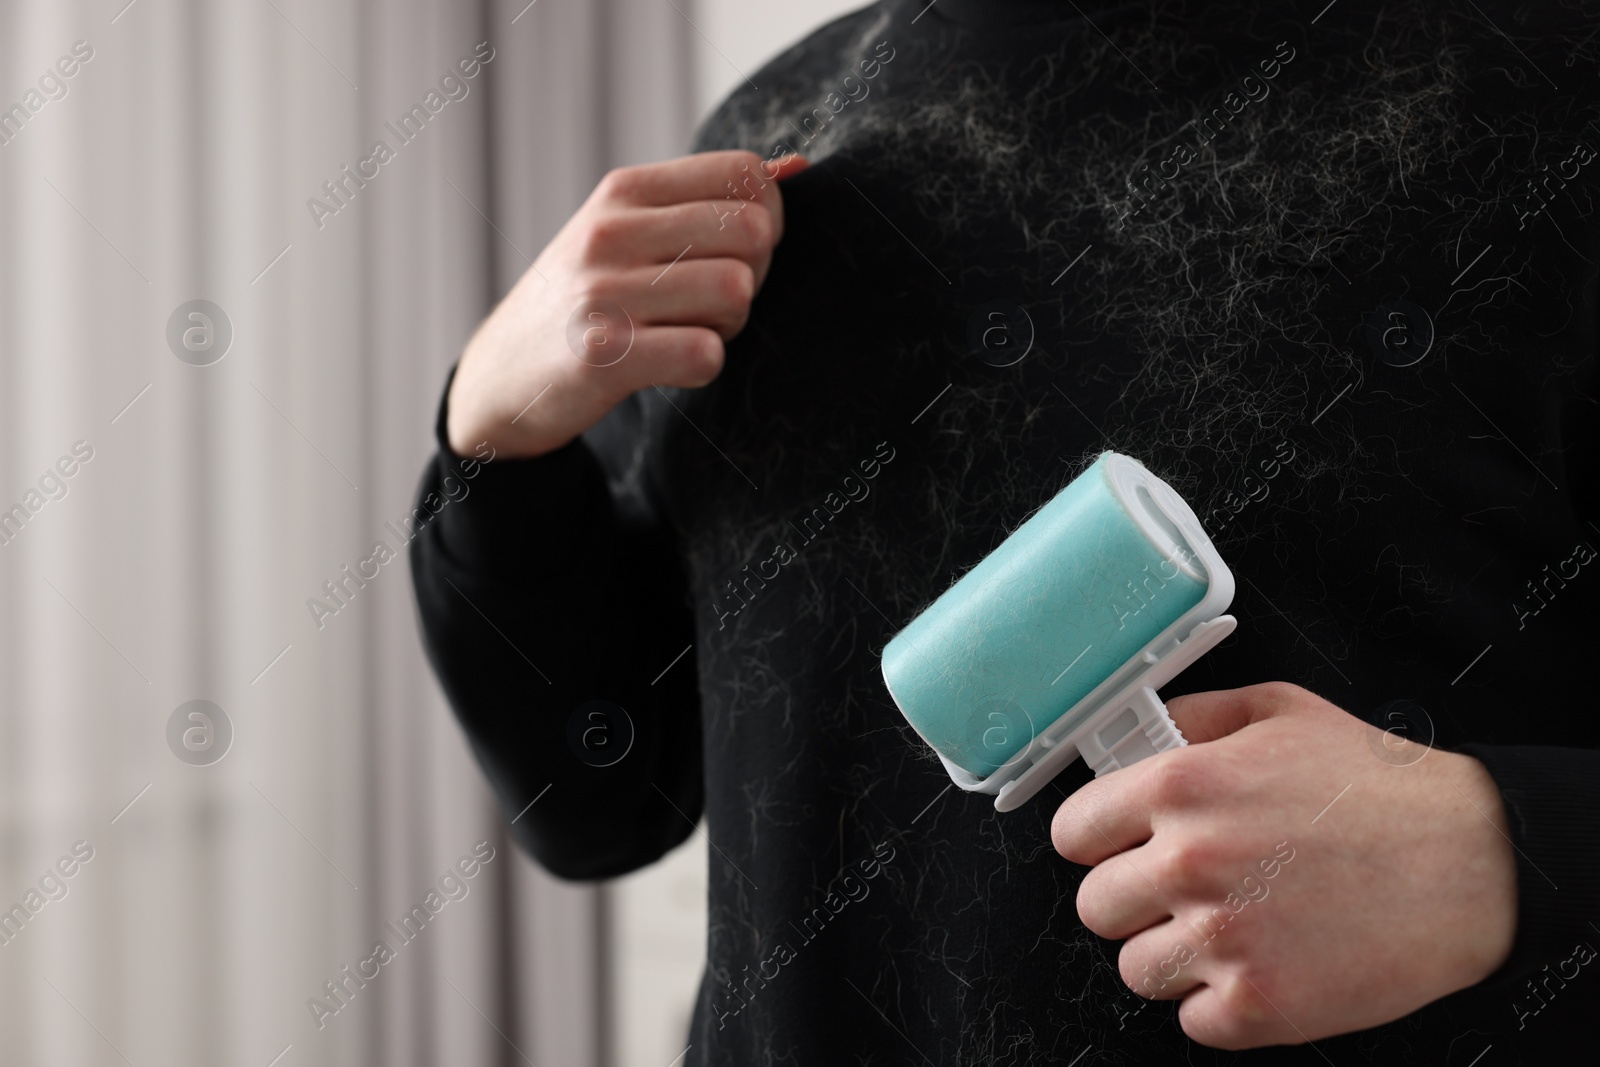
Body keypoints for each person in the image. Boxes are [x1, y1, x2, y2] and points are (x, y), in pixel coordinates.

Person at [411, 0, 1600, 1061]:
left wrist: (1509, 852)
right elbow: (599, 795)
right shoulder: (772, 136)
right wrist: (493, 441)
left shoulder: (1554, 92)